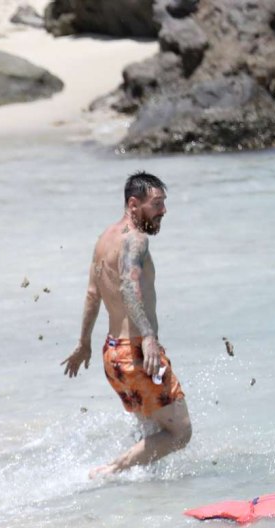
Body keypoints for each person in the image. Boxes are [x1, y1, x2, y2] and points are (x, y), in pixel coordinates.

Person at [61, 172, 192, 479]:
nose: (163, 211)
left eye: (164, 203)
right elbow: (129, 287)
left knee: (153, 429)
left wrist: (84, 344)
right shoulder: (136, 240)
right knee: (180, 433)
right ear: (134, 205)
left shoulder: (104, 239)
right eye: (156, 204)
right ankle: (110, 471)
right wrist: (148, 336)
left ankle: (145, 492)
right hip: (136, 353)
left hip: (113, 354)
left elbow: (92, 294)